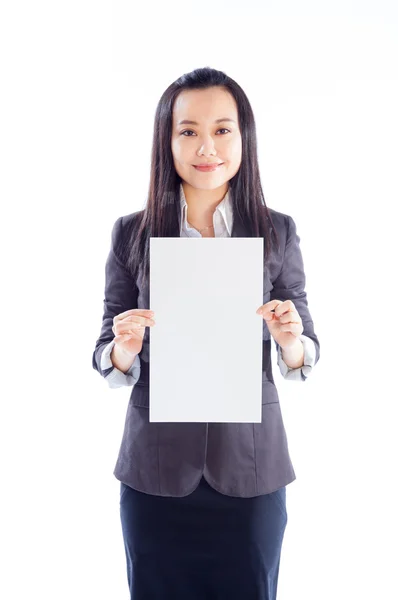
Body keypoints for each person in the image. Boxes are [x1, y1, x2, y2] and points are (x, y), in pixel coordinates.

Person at [92, 66, 320, 600]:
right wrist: (122, 349)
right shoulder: (133, 232)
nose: (206, 146)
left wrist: (290, 339)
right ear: (167, 141)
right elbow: (104, 345)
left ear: (244, 138)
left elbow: (306, 342)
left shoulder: (276, 229)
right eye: (188, 130)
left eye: (223, 129)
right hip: (155, 472)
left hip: (251, 468)